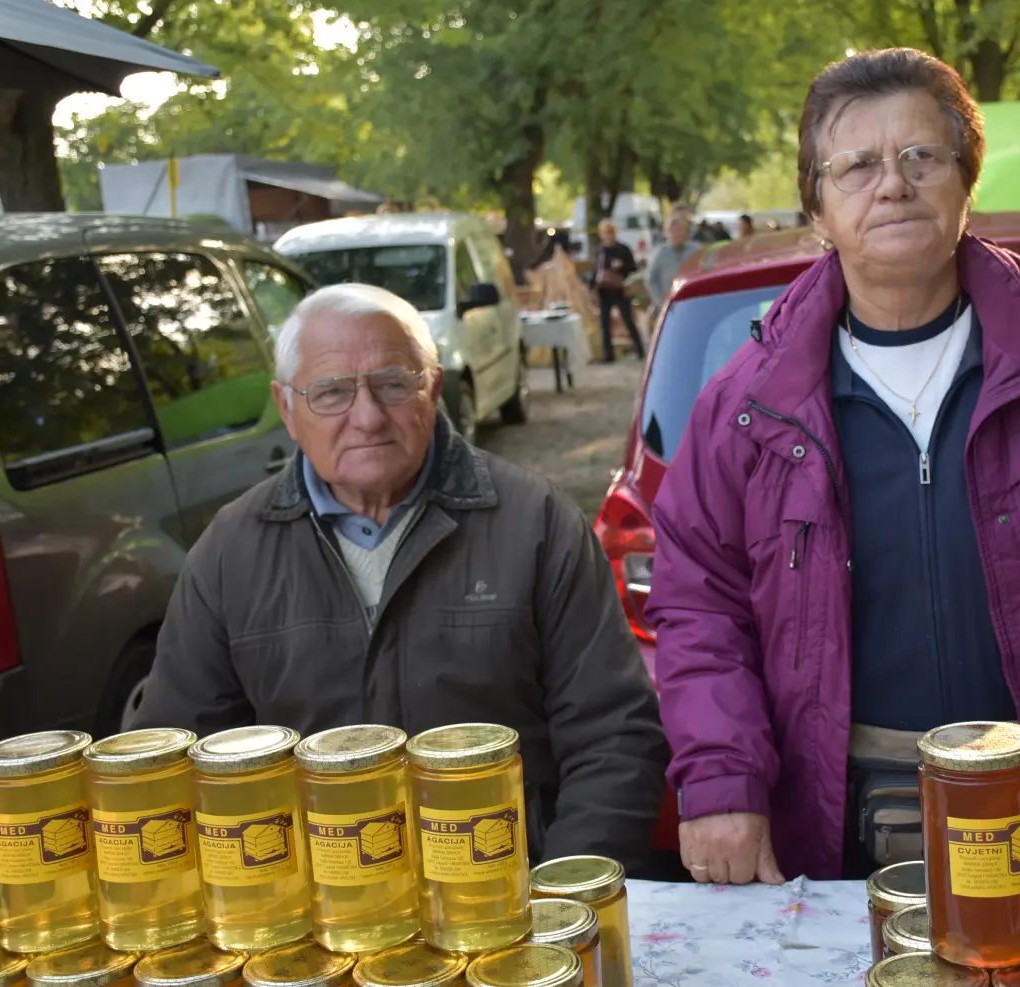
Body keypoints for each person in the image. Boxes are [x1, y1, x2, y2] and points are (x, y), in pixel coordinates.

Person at [644, 47, 1020, 886]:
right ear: (815, 204)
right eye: (855, 165)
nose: (890, 185)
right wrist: (718, 779)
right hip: (838, 827)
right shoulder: (748, 403)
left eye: (920, 157)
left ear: (967, 179)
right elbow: (698, 608)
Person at [131, 283, 669, 869]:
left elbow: (614, 737)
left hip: (507, 900)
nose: (366, 417)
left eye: (392, 383)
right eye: (331, 393)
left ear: (432, 387)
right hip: (313, 920)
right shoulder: (230, 552)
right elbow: (180, 762)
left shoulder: (533, 522)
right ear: (286, 408)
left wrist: (561, 902)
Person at [590, 219, 645, 363]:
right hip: (604, 290)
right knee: (605, 324)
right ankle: (608, 354)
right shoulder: (599, 251)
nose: (608, 235)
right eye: (605, 232)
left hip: (620, 290)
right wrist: (592, 288)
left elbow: (633, 268)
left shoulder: (623, 249)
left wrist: (621, 267)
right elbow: (595, 271)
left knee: (628, 319)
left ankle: (640, 349)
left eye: (610, 232)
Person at [646, 214, 700, 315]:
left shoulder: (695, 250)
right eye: (673, 232)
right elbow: (650, 279)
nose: (676, 235)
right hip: (669, 305)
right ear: (667, 233)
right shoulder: (661, 254)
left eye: (679, 231)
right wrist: (660, 301)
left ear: (684, 232)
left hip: (691, 301)